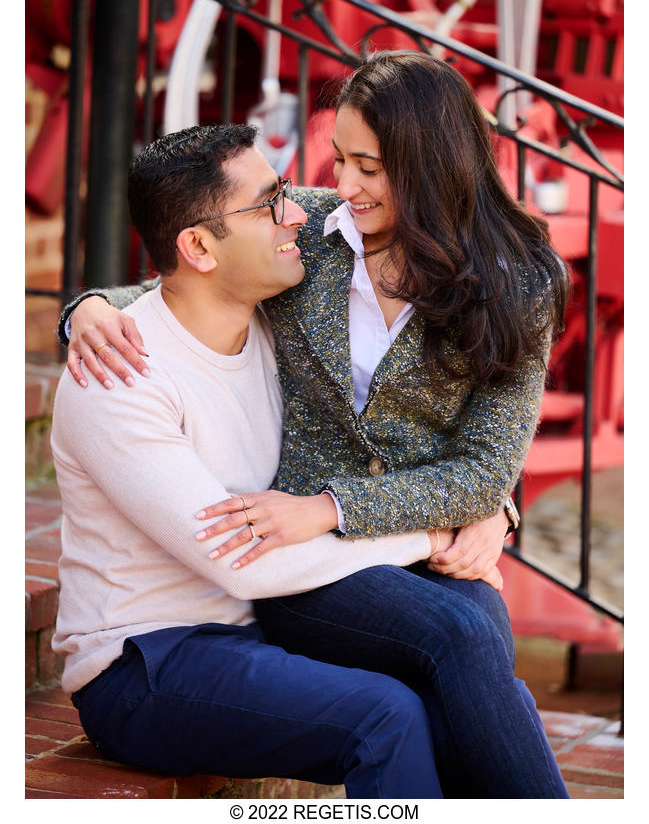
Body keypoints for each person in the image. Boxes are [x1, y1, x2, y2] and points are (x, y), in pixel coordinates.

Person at [59, 52, 570, 798]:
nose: (338, 188)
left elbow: (487, 464)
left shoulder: (516, 283)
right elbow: (180, 273)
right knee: (451, 657)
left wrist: (489, 508)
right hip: (287, 563)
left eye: (370, 166)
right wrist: (87, 308)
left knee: (481, 648)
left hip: (376, 544)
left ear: (431, 166)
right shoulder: (314, 239)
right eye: (340, 159)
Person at [51, 122, 455, 798]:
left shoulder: (277, 332)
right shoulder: (120, 375)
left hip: (258, 629)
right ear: (200, 247)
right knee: (386, 718)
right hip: (145, 664)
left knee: (466, 687)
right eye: (270, 202)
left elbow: (397, 440)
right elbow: (242, 559)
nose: (296, 213)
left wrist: (485, 511)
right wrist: (428, 535)